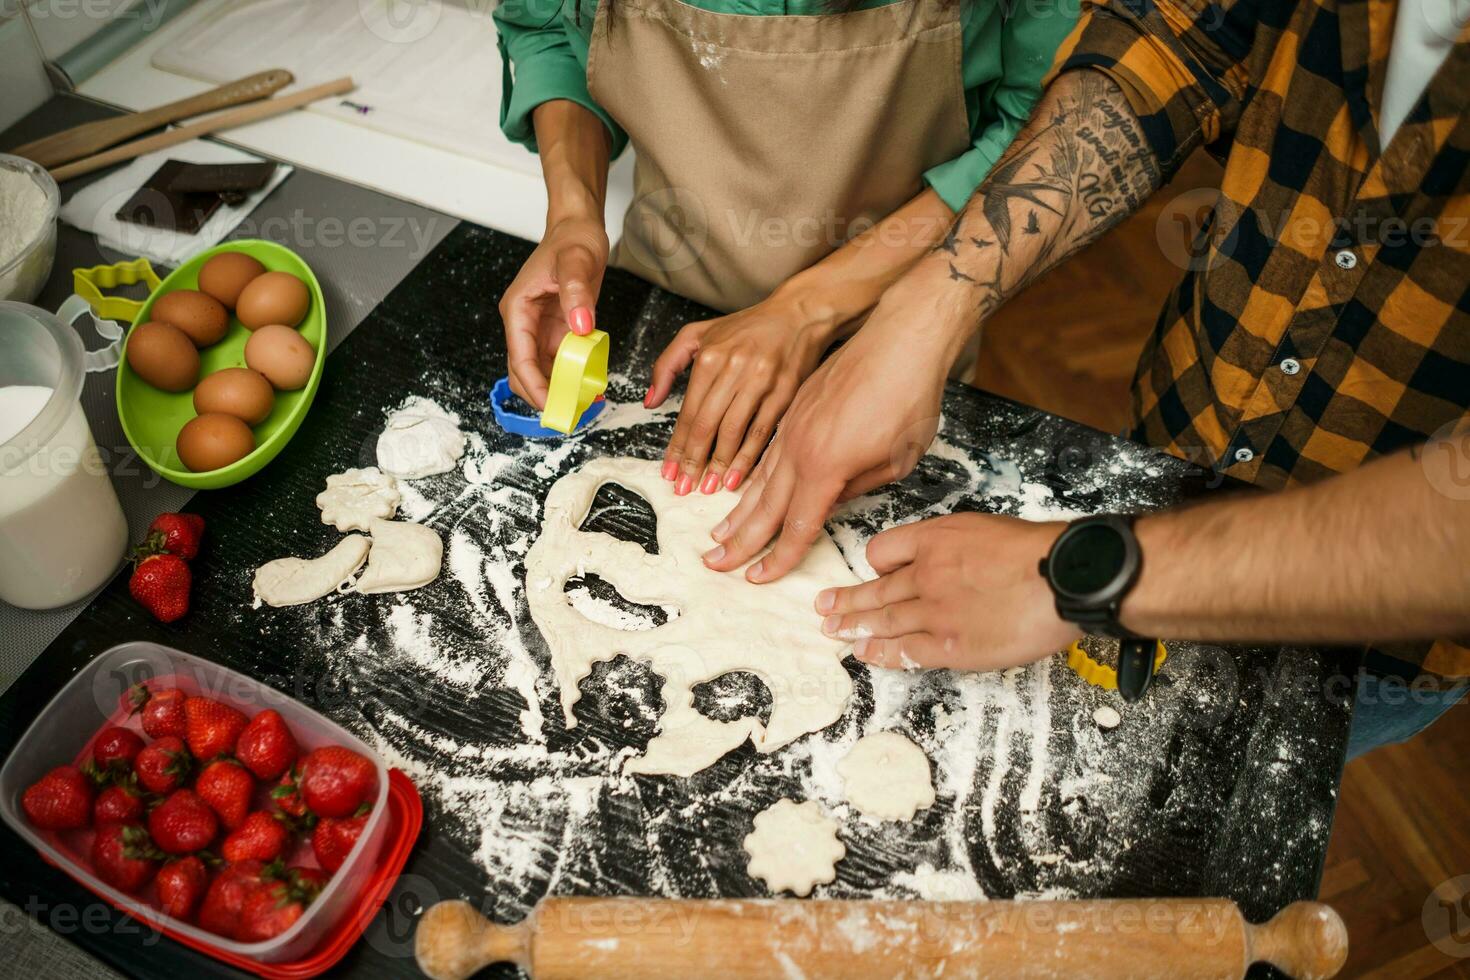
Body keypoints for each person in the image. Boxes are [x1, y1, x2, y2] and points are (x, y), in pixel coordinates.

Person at [701, 0, 1470, 752]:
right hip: (1175, 453)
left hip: (1380, 637)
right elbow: (1174, 44)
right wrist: (927, 308)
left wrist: (1087, 576)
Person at [492, 0, 1079, 493]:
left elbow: (1046, 128)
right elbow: (548, 29)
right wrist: (573, 214)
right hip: (659, 295)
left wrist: (804, 309)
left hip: (891, 333)